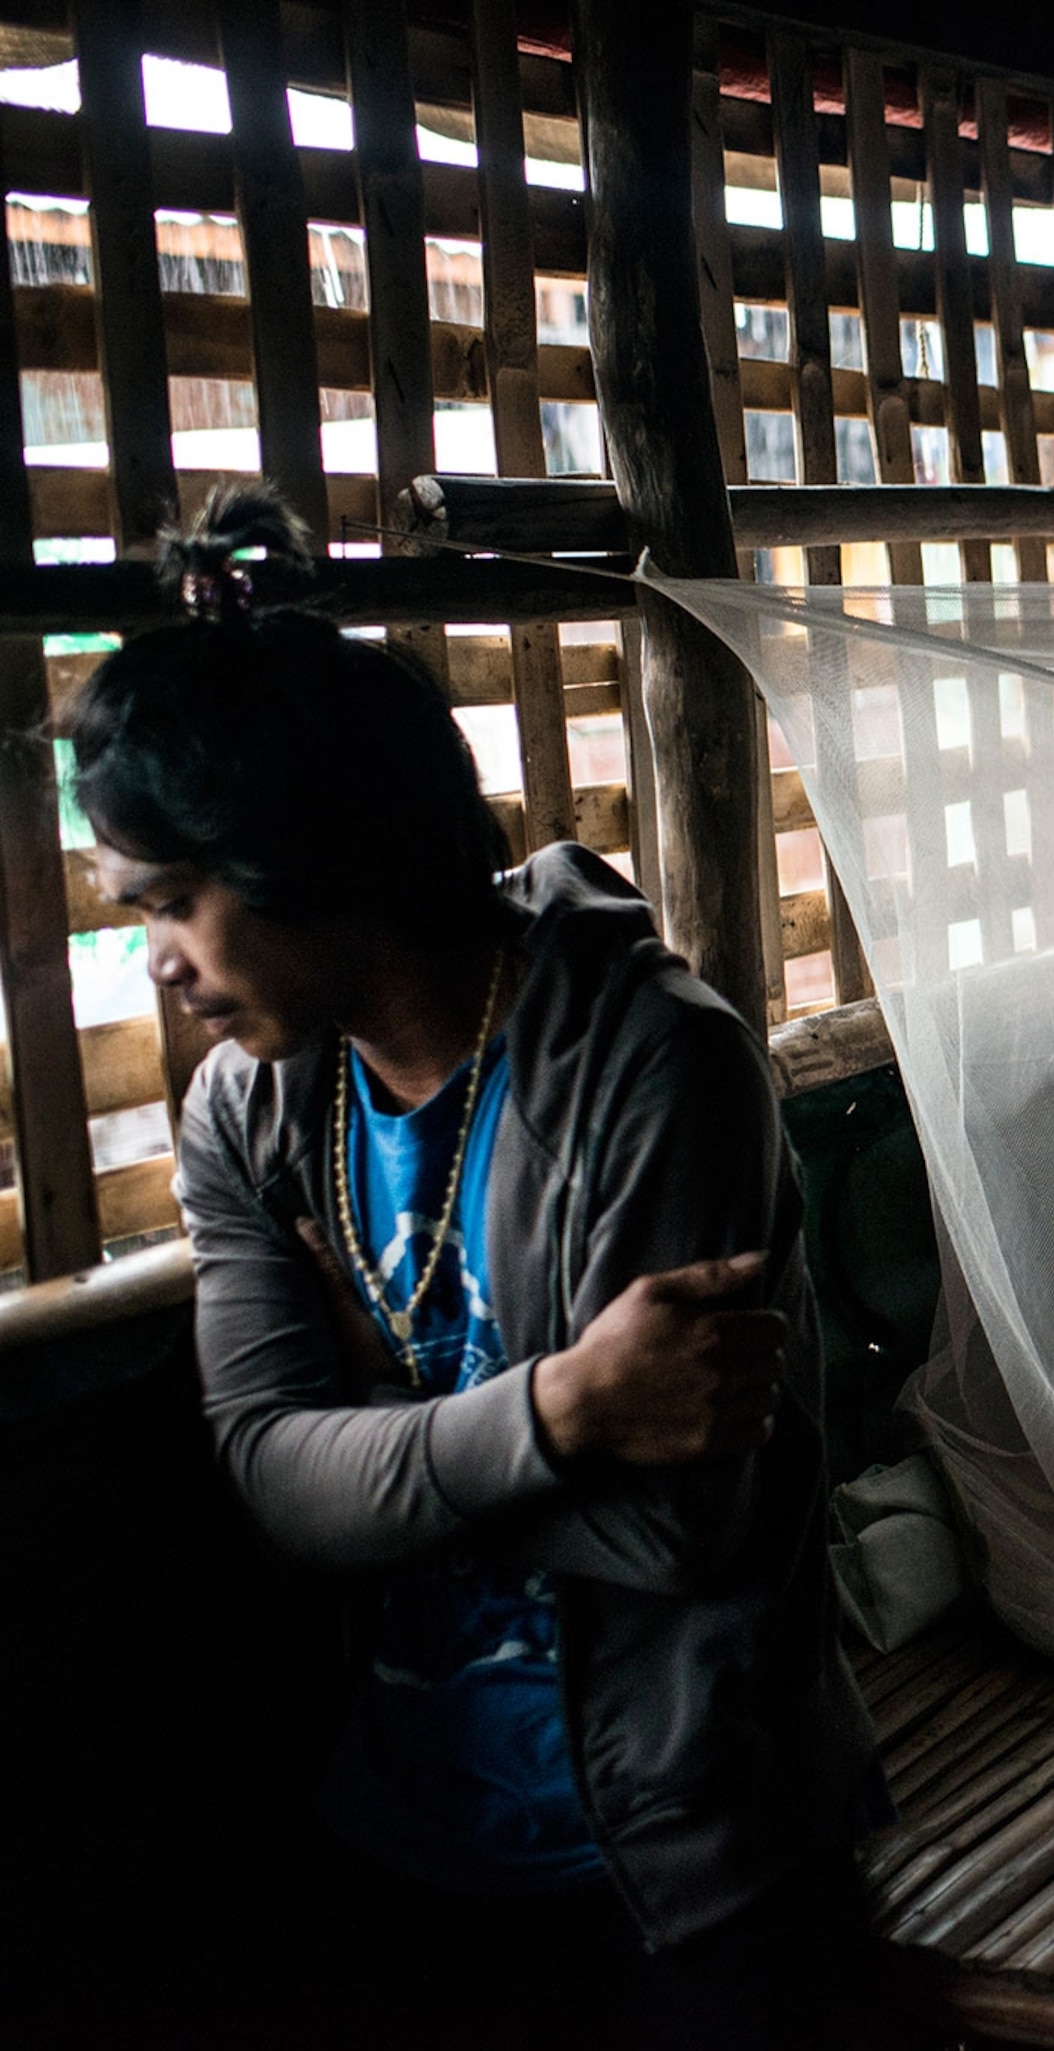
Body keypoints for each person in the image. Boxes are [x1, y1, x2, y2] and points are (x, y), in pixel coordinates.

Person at [72, 488, 892, 2047]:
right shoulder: (253, 1104)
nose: (158, 961)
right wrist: (565, 1406)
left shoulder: (653, 1061)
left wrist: (380, 1409)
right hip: (397, 1837)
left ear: (305, 852)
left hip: (689, 1854)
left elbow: (674, 1525)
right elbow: (271, 1477)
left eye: (178, 902)